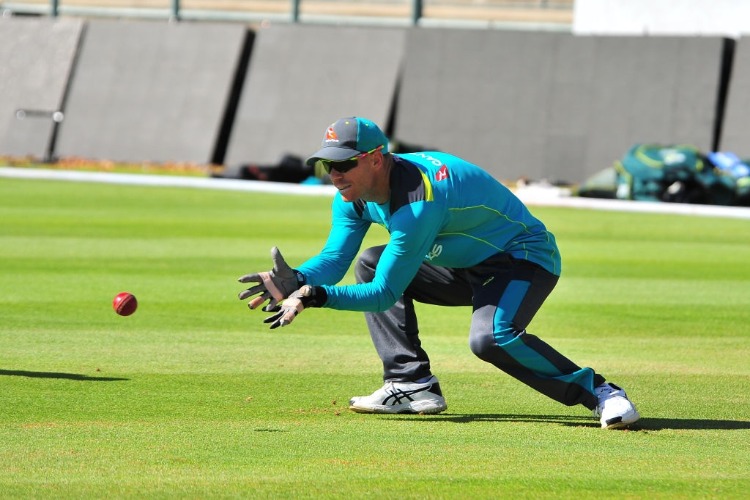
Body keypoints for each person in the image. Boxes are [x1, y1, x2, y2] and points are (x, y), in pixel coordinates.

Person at [238, 116, 640, 429]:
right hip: (459, 263)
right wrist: (300, 278)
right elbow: (336, 259)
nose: (334, 174)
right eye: (328, 164)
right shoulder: (352, 197)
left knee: (490, 339)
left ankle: (600, 391)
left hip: (521, 259)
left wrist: (317, 296)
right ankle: (411, 383)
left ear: (376, 158)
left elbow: (382, 293)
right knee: (369, 260)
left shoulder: (418, 203)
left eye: (344, 163)